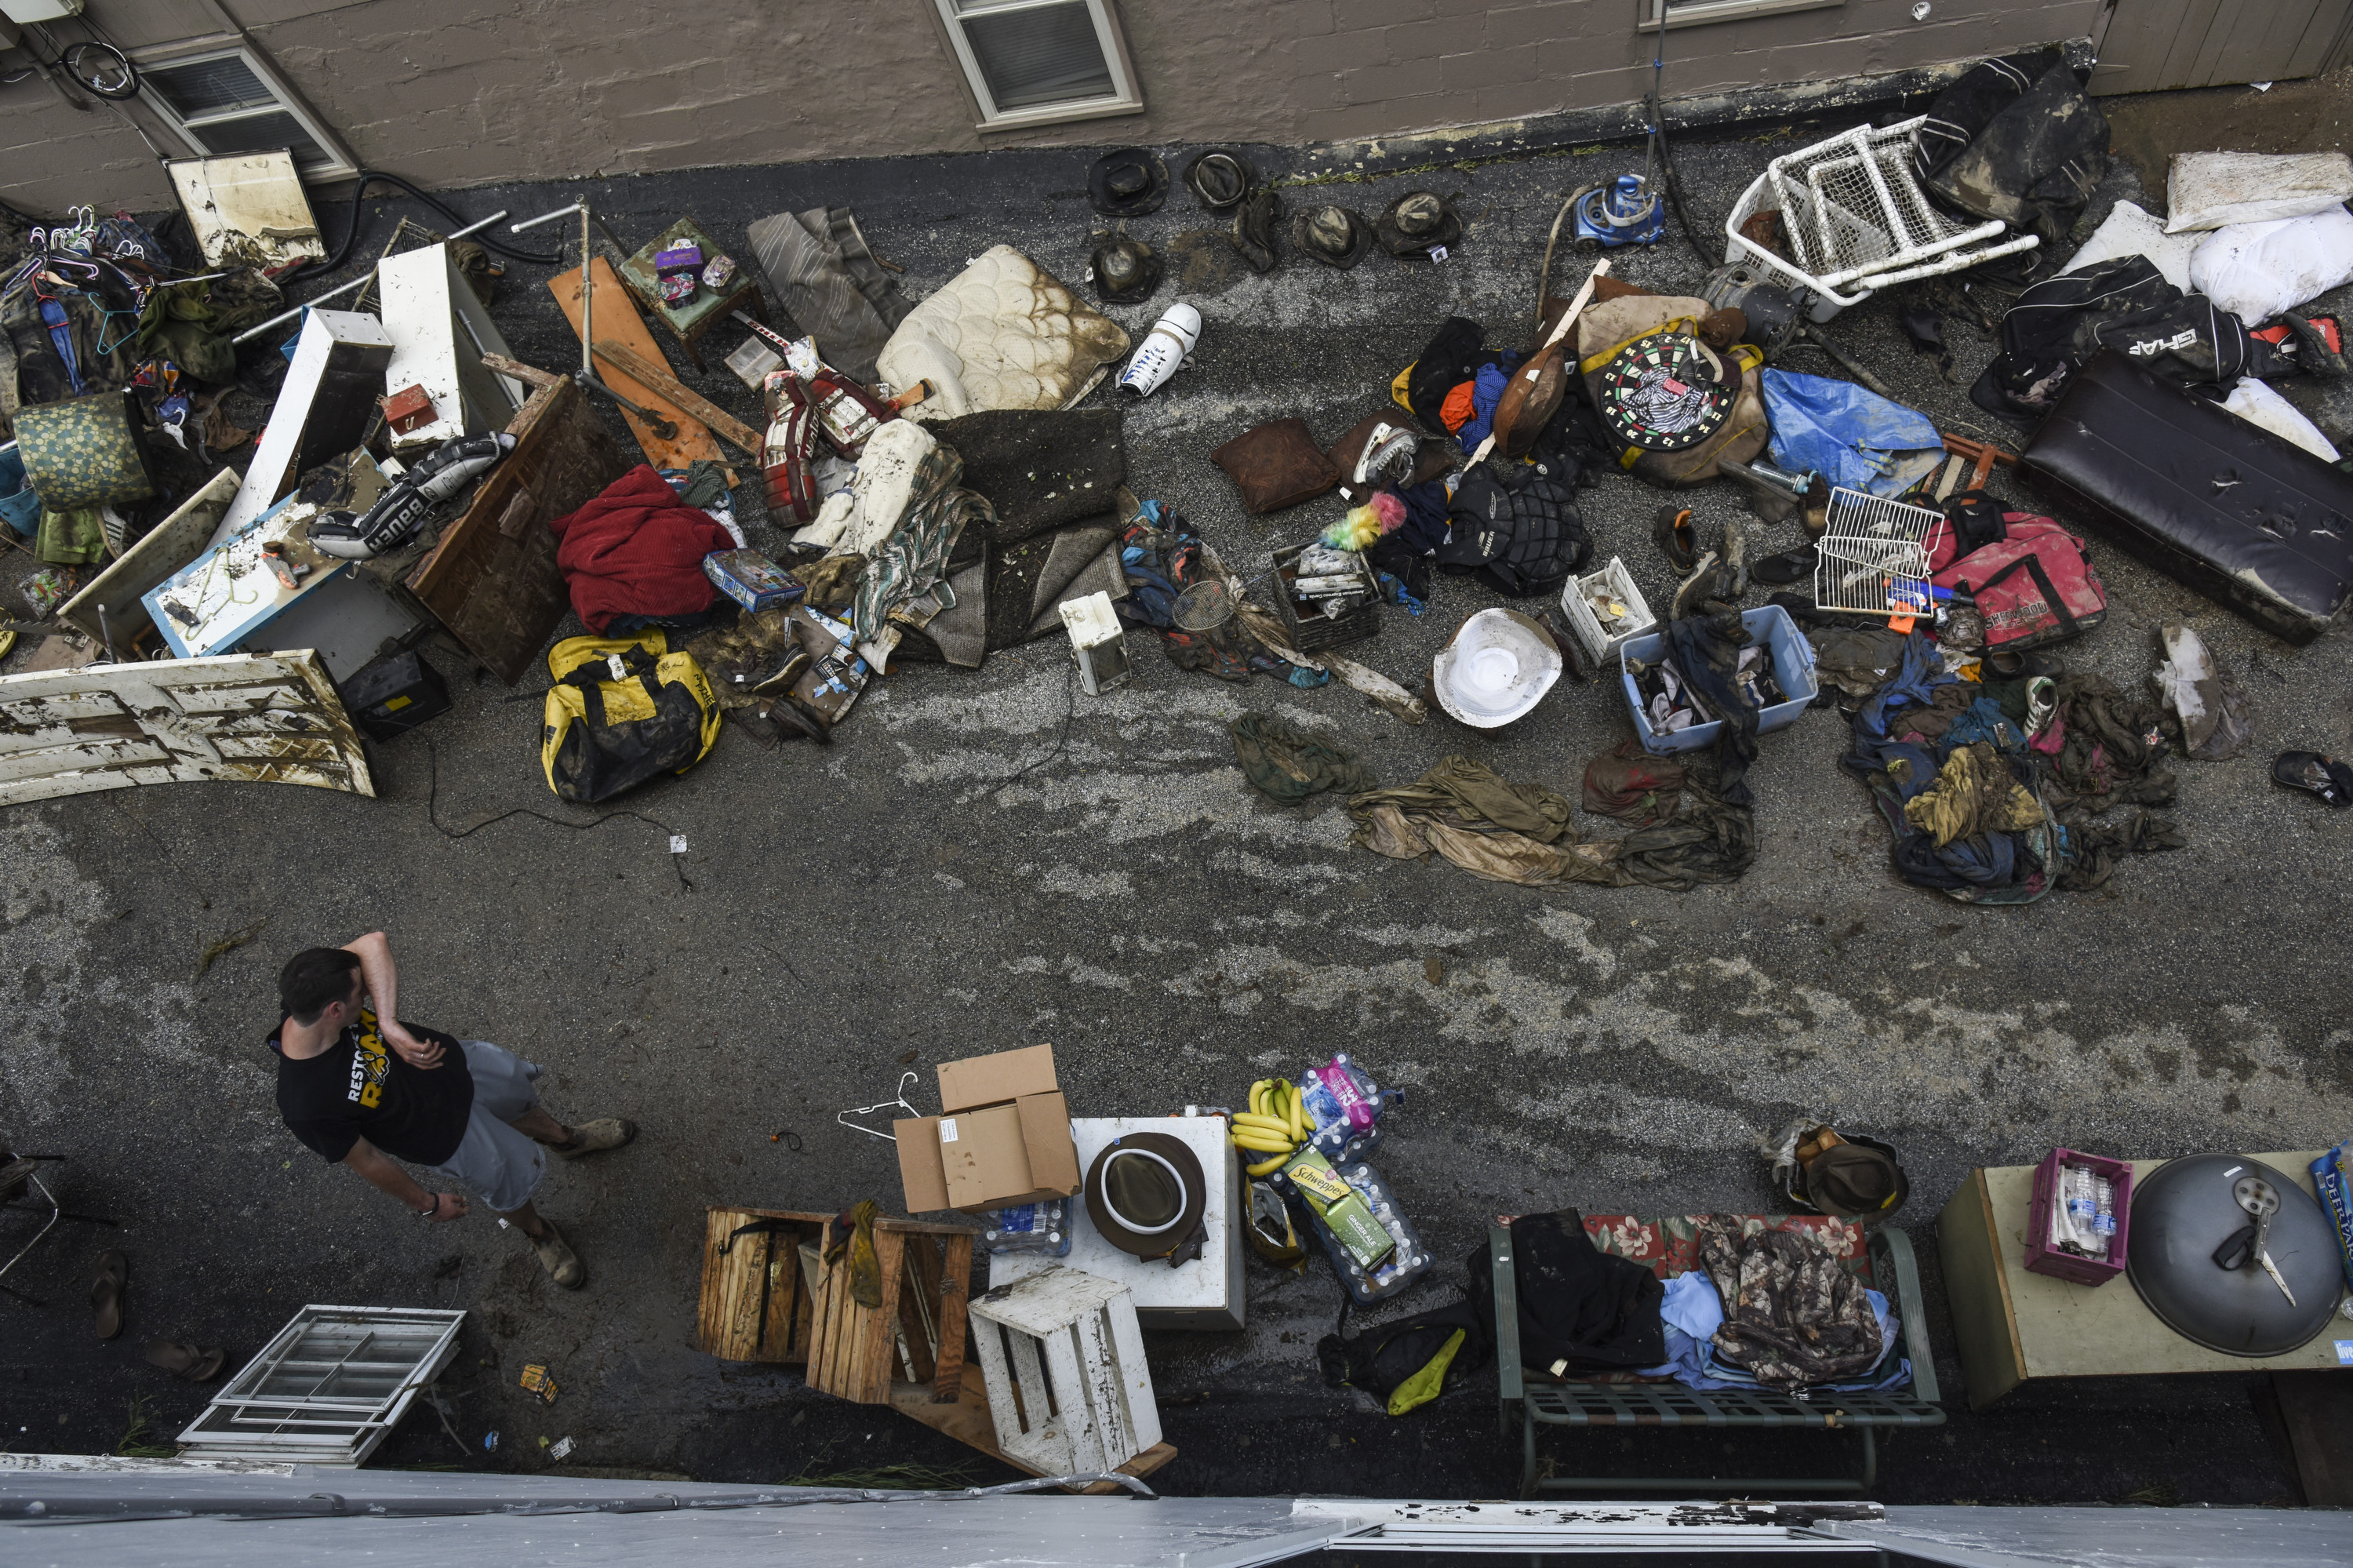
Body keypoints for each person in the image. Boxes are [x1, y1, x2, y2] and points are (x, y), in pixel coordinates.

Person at [270, 932, 634, 1288]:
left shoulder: (309, 992)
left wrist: (387, 1023)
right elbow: (367, 1159)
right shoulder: (305, 1105)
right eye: (359, 992)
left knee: (517, 1097)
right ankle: (539, 1232)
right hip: (445, 1135)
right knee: (506, 1183)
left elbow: (372, 944)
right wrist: (427, 1204)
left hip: (456, 1066)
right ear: (335, 1010)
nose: (366, 990)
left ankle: (565, 1140)